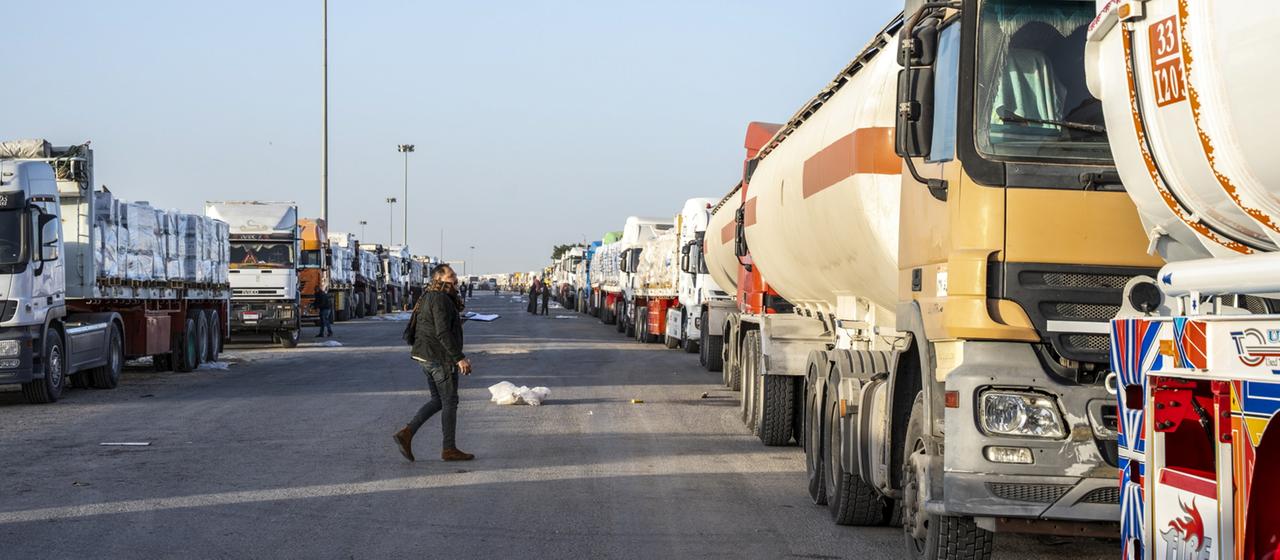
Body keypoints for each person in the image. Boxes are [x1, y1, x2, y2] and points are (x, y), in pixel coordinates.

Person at [394, 264, 475, 463]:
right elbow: (441, 332)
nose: (455, 278)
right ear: (439, 278)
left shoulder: (430, 295)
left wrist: (458, 322)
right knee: (449, 401)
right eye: (451, 275)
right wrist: (459, 358)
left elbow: (435, 325)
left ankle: (406, 434)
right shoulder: (440, 298)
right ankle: (449, 449)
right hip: (437, 358)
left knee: (438, 400)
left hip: (426, 355)